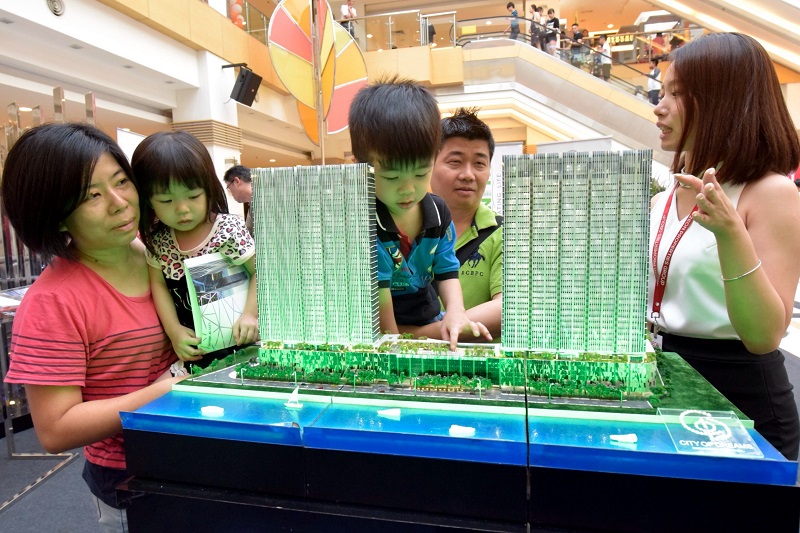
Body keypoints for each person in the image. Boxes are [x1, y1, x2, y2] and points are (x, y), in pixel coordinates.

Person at [0, 122, 183, 531]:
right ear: (56, 216)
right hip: (130, 475)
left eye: (121, 181)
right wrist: (166, 391)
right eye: (91, 196)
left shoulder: (157, 248)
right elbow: (55, 428)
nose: (120, 203)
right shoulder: (54, 301)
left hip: (191, 447)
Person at [649, 33, 800, 459]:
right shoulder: (664, 197)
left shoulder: (771, 193)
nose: (659, 107)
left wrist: (732, 235)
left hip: (740, 399)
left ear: (725, 102)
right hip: (664, 384)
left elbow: (764, 335)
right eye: (662, 92)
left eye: (677, 93)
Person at [348, 77, 491, 350]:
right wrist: (394, 348)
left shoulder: (437, 212)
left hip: (427, 316)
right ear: (361, 168)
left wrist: (456, 312)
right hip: (376, 328)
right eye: (391, 177)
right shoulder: (365, 224)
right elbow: (382, 308)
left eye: (420, 173)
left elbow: (447, 271)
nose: (408, 190)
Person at [133, 131, 258, 369]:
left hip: (241, 341)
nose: (182, 209)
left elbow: (258, 272)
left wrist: (250, 314)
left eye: (193, 196)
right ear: (148, 200)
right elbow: (158, 285)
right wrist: (174, 330)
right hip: (195, 352)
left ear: (208, 189)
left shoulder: (227, 229)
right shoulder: (159, 240)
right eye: (166, 200)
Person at [415, 108, 503, 341]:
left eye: (479, 163)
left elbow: (507, 308)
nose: (468, 175)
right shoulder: (403, 227)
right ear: (428, 165)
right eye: (455, 162)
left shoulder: (505, 234)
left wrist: (410, 335)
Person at [223, 164, 254, 237]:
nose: (231, 192)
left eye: (229, 188)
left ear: (237, 181)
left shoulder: (264, 201)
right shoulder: (253, 203)